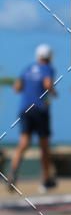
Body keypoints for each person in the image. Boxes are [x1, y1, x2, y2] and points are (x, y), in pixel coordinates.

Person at [7, 44, 58, 193]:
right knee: (44, 146)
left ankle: (13, 171)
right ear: (49, 57)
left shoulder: (27, 68)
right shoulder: (48, 68)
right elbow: (48, 84)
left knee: (23, 142)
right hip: (40, 109)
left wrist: (29, 90)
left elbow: (16, 87)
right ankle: (46, 179)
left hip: (25, 108)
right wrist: (53, 93)